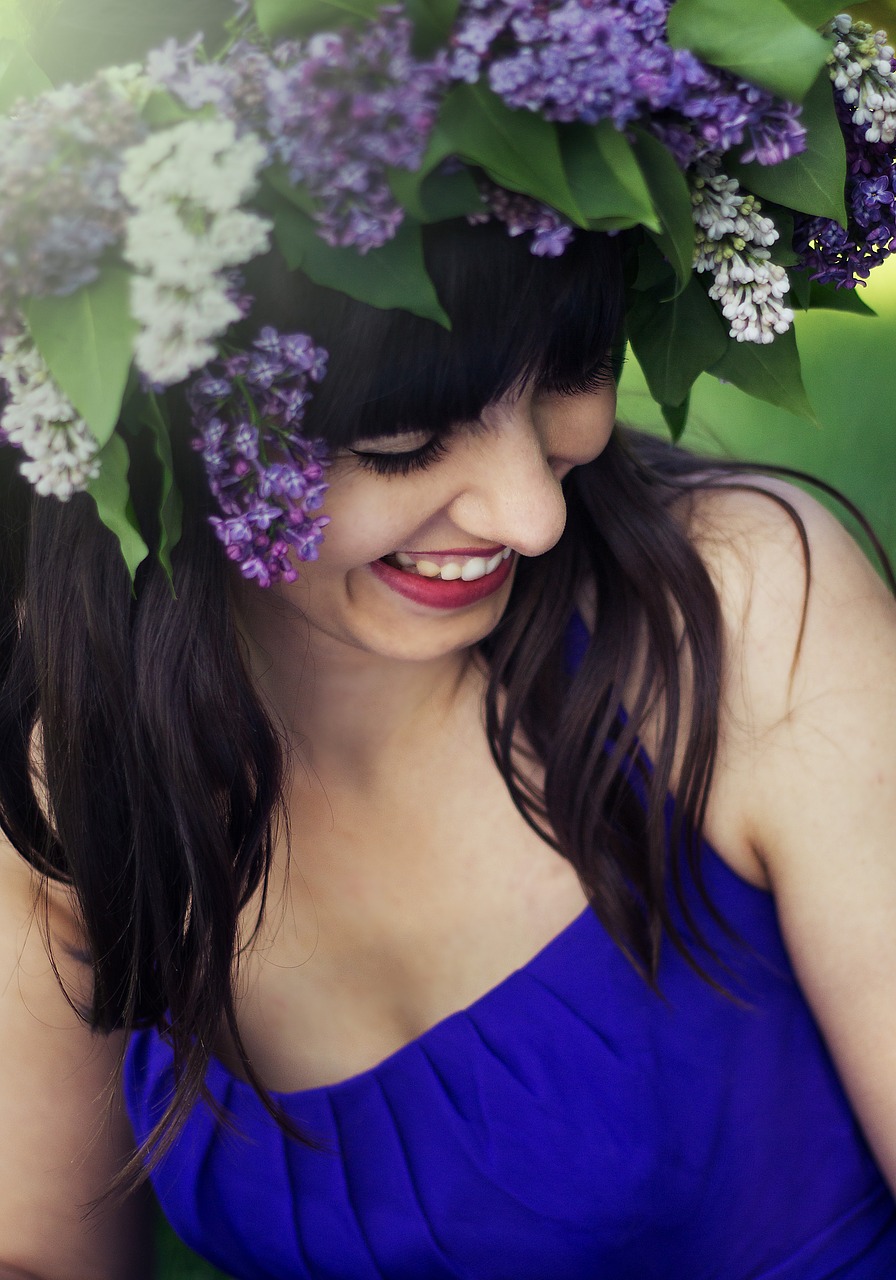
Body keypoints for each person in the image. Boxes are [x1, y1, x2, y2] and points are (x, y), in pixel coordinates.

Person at [1, 2, 896, 1277]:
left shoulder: (744, 609)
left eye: (565, 367)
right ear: (164, 432)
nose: (533, 514)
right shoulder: (71, 761)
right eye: (401, 444)